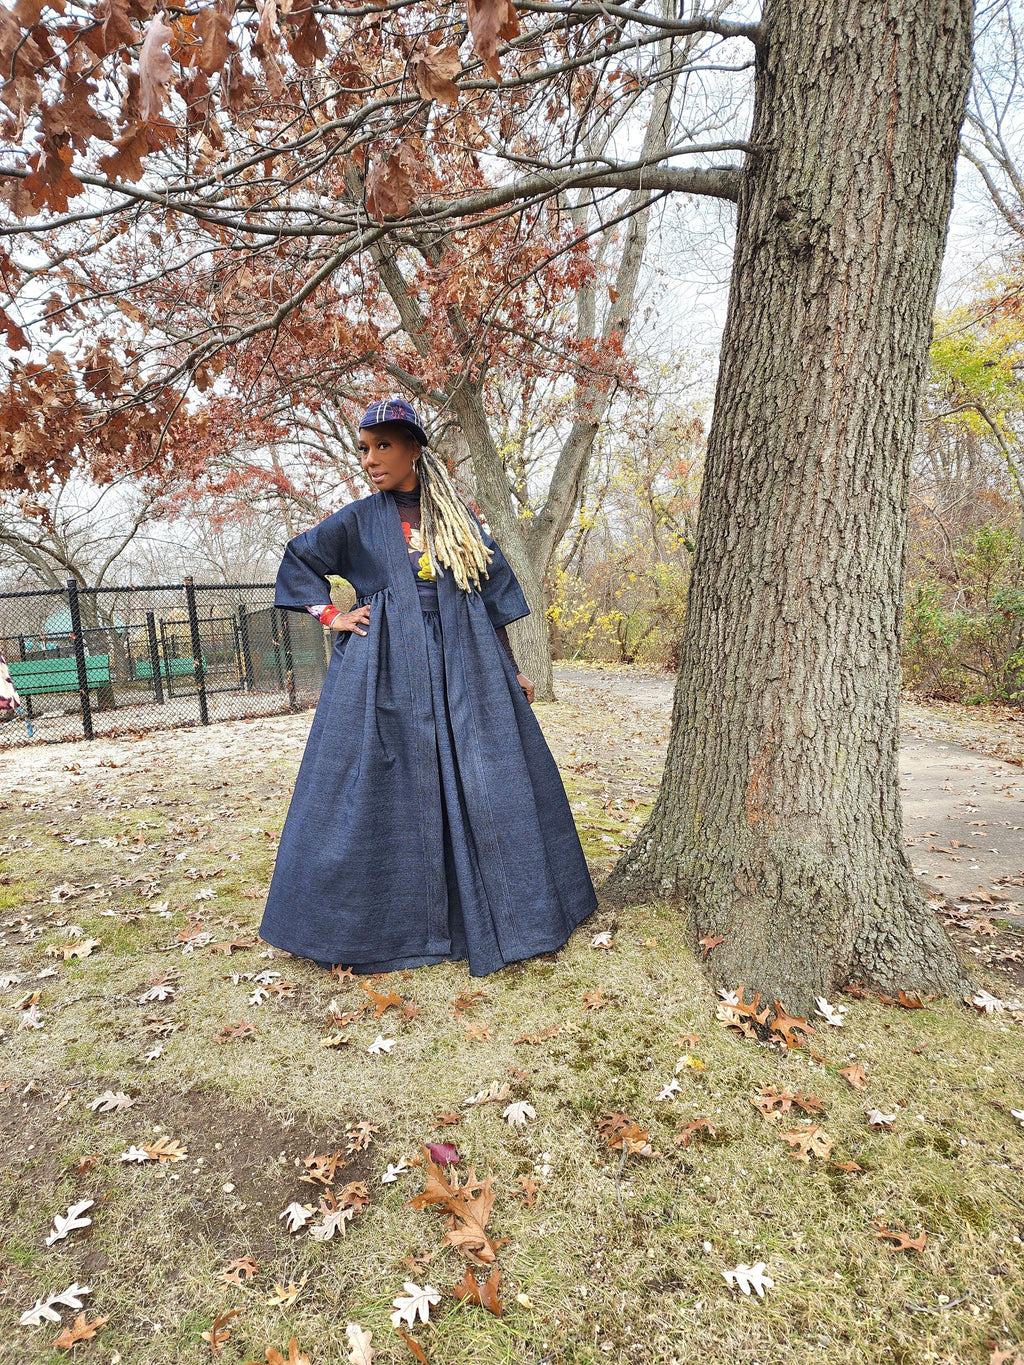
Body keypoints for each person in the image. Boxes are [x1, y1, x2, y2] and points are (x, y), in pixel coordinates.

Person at [259, 397, 599, 977]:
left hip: (466, 659)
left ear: (415, 448)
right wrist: (331, 615)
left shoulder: (456, 520)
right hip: (385, 664)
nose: (371, 459)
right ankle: (383, 923)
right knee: (380, 782)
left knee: (487, 775)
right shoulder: (359, 519)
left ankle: (499, 911)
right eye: (364, 448)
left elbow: (489, 597)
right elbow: (299, 559)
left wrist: (511, 668)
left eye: (383, 446)